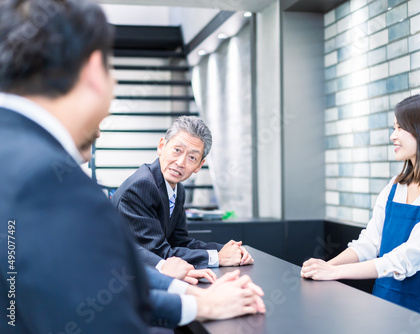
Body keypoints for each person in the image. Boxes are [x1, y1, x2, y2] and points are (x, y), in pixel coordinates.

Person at [0, 1, 264, 332]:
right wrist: (199, 301)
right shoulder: (47, 180)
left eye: (192, 157)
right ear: (95, 70)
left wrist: (196, 300)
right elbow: (104, 307)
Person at [301, 93, 420, 326]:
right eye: (394, 128)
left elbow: (406, 259)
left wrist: (336, 273)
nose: (393, 136)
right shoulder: (394, 186)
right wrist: (327, 266)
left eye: (400, 128)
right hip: (381, 310)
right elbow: (369, 243)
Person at [112, 116, 254, 269]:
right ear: (161, 146)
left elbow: (179, 242)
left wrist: (228, 250)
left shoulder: (177, 189)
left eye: (192, 157)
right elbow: (158, 253)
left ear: (199, 165)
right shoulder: (141, 187)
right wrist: (218, 258)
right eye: (177, 150)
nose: (180, 163)